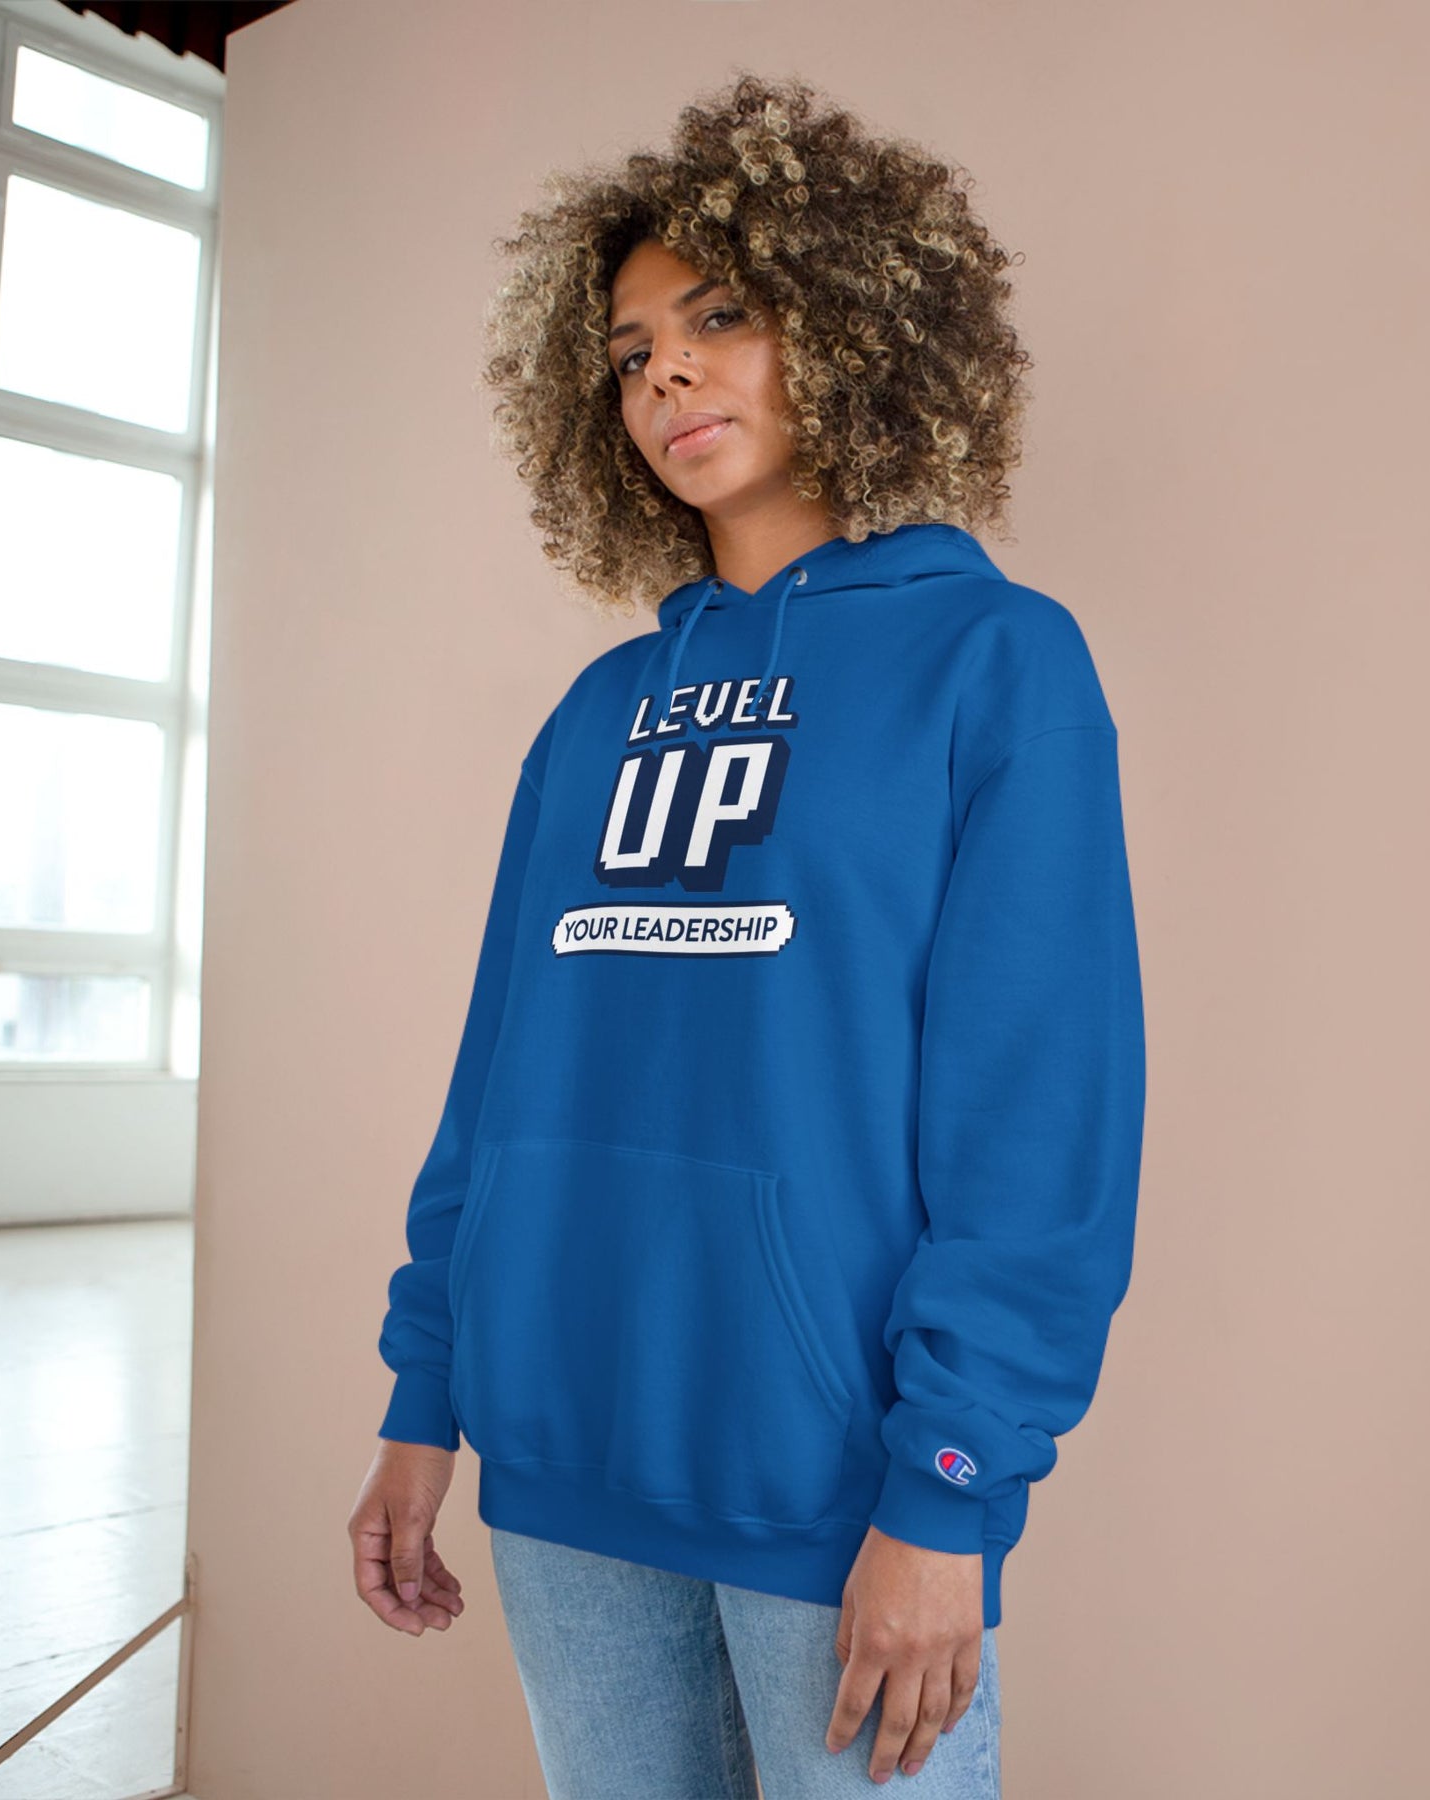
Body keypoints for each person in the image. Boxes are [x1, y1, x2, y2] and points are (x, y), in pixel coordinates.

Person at [347, 70, 1147, 1798]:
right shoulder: (593, 714)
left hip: (833, 1490)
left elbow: (1038, 1114)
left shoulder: (996, 662)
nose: (667, 375)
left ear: (850, 328)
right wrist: (427, 1395)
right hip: (557, 1464)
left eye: (718, 318)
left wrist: (950, 1486)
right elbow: (498, 1080)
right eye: (631, 351)